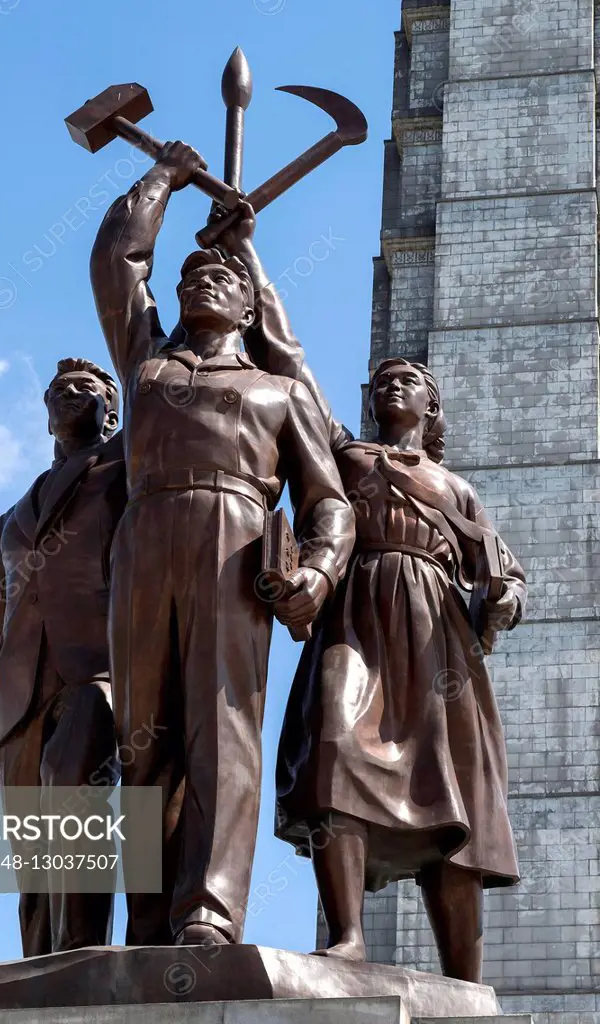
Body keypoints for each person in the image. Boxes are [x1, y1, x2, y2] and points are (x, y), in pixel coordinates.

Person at [207, 207, 526, 984]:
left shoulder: (456, 488)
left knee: (455, 797)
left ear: (432, 406)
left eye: (409, 378)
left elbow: (505, 575)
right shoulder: (349, 457)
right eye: (382, 378)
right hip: (358, 614)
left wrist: (503, 600)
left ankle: (463, 970)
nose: (393, 384)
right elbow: (287, 357)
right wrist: (244, 253)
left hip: (440, 640)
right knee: (335, 745)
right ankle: (347, 935)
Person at [90, 141, 355, 947]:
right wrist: (163, 178)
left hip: (235, 547)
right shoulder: (146, 367)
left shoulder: (279, 393)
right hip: (144, 542)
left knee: (222, 731)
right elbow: (116, 262)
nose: (203, 278)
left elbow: (328, 501)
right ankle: (145, 920)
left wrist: (317, 568)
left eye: (225, 278)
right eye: (191, 276)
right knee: (143, 741)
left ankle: (208, 909)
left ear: (250, 309)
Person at [0, 357, 126, 956]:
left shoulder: (127, 468)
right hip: (18, 684)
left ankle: (82, 953)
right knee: (30, 841)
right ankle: (39, 969)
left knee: (75, 792)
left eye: (86, 389)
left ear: (112, 409)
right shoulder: (13, 515)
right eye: (59, 391)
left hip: (98, 664)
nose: (70, 396)